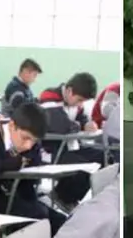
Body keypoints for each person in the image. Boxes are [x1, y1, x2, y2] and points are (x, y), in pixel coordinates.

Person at [0, 102, 61, 227]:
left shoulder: (31, 145)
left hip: (18, 195)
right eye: (25, 138)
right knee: (39, 216)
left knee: (59, 221)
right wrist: (4, 164)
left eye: (34, 141)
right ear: (12, 125)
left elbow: (33, 169)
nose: (28, 145)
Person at [38, 73, 100, 209]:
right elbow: (62, 126)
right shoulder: (48, 97)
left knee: (101, 157)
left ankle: (70, 197)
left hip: (69, 146)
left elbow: (80, 120)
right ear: (69, 91)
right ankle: (61, 197)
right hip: (49, 151)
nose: (80, 104)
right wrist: (82, 126)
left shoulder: (75, 101)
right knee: (84, 166)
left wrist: (88, 124)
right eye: (79, 100)